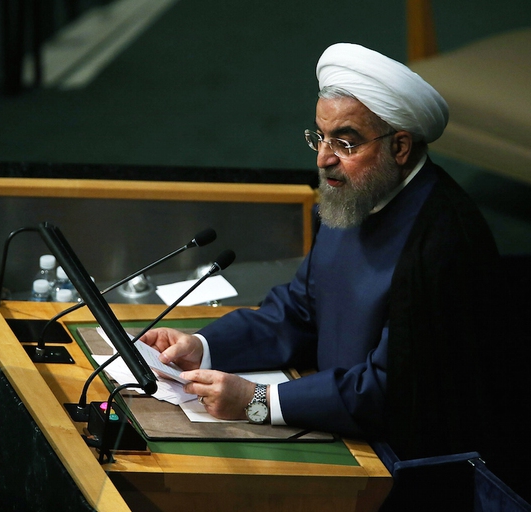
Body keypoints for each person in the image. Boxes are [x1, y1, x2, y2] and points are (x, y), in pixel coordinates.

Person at [141, 43, 504, 461]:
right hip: (342, 428)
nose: (324, 158)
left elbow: (391, 391)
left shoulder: (442, 245)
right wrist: (202, 347)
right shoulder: (354, 195)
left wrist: (258, 401)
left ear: (400, 147)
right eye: (320, 136)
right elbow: (299, 311)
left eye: (346, 143)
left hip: (408, 462)